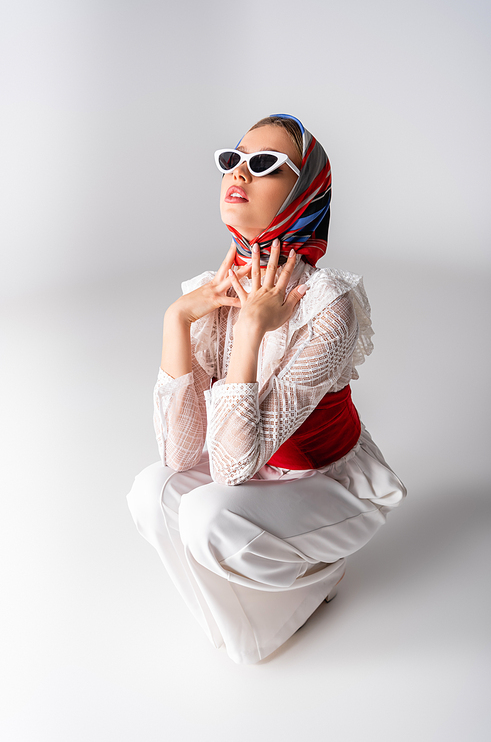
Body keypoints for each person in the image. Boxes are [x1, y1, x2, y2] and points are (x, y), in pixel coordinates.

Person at [127, 114, 406, 664]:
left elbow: (229, 469)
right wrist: (176, 321)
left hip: (326, 485)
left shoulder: (329, 305)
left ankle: (315, 578)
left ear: (302, 192)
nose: (240, 174)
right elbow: (180, 454)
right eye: (232, 160)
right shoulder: (215, 288)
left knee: (206, 517)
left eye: (264, 165)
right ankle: (252, 626)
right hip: (257, 470)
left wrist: (253, 329)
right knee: (151, 491)